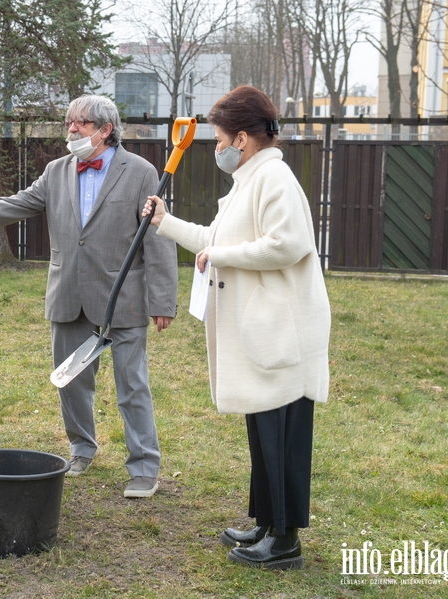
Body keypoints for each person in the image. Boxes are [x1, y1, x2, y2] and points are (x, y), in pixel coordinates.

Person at [0, 95, 179, 498]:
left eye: (81, 124)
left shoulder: (141, 172)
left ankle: (143, 469)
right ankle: (81, 449)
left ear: (106, 129)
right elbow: (16, 205)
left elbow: (157, 237)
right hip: (68, 294)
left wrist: (162, 300)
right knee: (70, 382)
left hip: (122, 297)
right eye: (68, 123)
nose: (71, 130)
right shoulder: (57, 170)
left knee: (132, 385)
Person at [143, 85, 331, 569]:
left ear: (243, 138)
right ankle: (267, 525)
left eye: (220, 138)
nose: (217, 148)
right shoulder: (249, 180)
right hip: (259, 330)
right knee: (262, 428)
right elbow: (215, 239)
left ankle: (285, 542)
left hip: (279, 331)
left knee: (281, 435)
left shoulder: (276, 178)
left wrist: (219, 254)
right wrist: (166, 222)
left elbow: (288, 244)